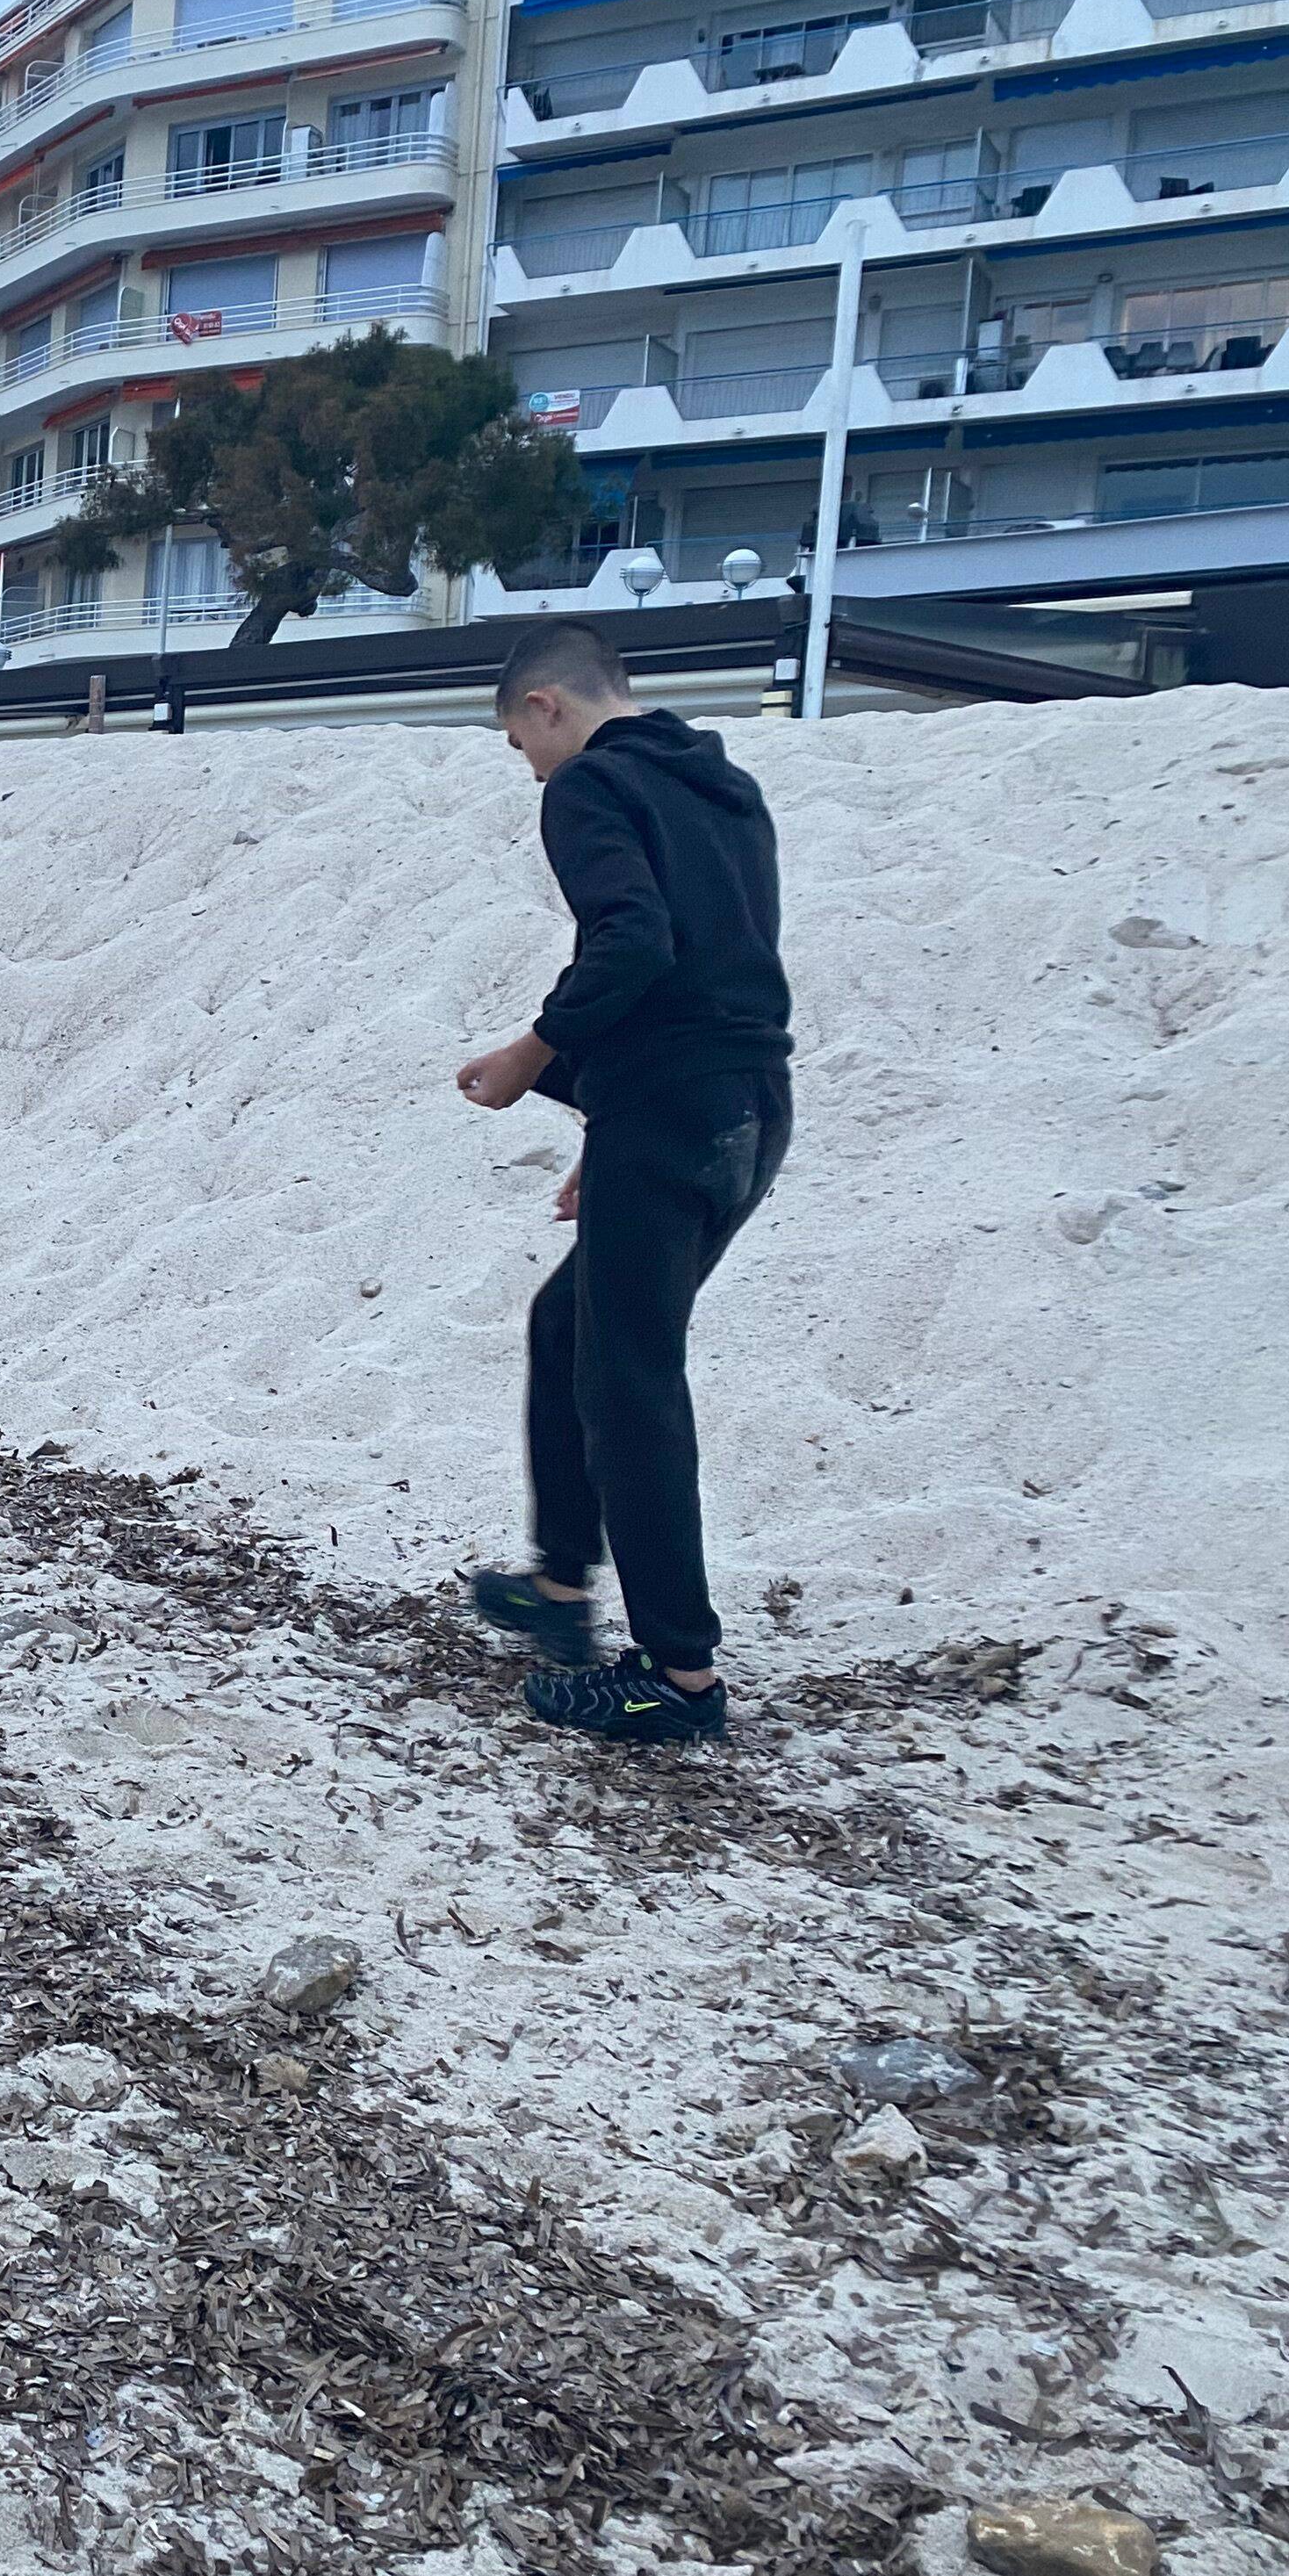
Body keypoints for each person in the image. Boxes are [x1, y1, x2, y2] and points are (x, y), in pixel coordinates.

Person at [454, 621, 793, 1743]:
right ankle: (560, 1591)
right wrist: (612, 1124)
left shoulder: (590, 787)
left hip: (677, 1112)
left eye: (521, 744)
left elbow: (633, 945)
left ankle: (677, 1677)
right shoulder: (721, 785)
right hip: (744, 1104)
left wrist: (531, 1057)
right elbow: (712, 970)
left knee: (630, 1381)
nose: (532, 768)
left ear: (547, 705)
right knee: (572, 1323)